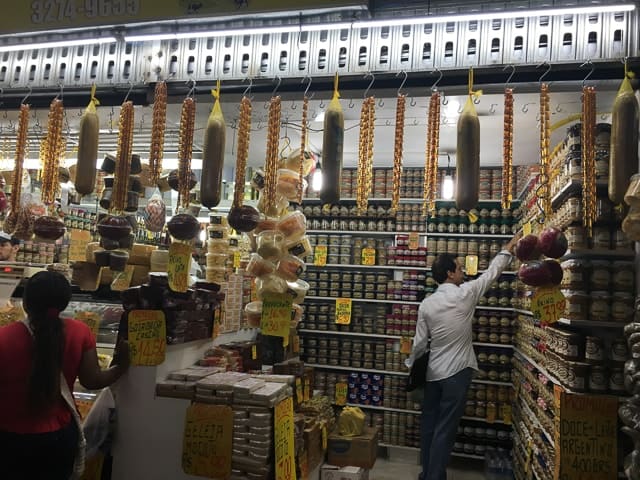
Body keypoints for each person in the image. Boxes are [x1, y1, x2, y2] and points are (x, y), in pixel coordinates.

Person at [408, 233, 520, 480]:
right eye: (459, 268)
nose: (463, 272)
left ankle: (427, 473)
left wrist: (411, 368)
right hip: (458, 372)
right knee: (445, 429)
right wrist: (507, 249)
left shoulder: (427, 304)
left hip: (433, 373)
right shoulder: (465, 294)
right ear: (449, 274)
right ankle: (434, 477)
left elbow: (418, 345)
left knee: (429, 425)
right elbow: (491, 274)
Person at [0, 271, 130, 479]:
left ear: (25, 302)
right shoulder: (79, 331)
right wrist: (121, 366)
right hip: (58, 437)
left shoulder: (3, 336)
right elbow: (92, 380)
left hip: (9, 437)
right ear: (65, 302)